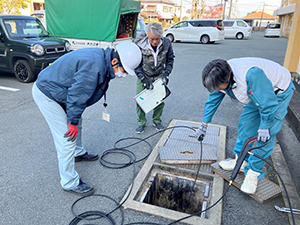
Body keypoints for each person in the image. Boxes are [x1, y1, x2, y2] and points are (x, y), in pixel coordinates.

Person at [32, 42, 142, 196]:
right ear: (115, 61)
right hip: (47, 94)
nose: (123, 74)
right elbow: (78, 95)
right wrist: (71, 123)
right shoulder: (94, 66)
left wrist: (74, 120)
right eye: (123, 70)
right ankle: (69, 182)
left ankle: (78, 152)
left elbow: (78, 95)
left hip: (61, 92)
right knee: (66, 137)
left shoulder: (102, 60)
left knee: (77, 122)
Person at [195, 58, 295, 194]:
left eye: (217, 87)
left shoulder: (250, 75)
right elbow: (213, 100)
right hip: (254, 92)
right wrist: (204, 125)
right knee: (246, 125)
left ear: (228, 78)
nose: (216, 89)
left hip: (277, 93)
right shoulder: (219, 76)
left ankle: (253, 173)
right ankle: (241, 161)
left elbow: (269, 105)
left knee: (266, 136)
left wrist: (265, 126)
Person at [134, 22, 175, 134]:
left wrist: (166, 73)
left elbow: (170, 59)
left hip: (159, 75)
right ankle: (141, 123)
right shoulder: (139, 44)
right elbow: (135, 64)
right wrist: (143, 78)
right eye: (152, 39)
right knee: (140, 100)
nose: (155, 42)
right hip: (144, 75)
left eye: (157, 38)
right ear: (148, 35)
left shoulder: (166, 43)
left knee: (159, 100)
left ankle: (157, 120)